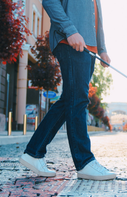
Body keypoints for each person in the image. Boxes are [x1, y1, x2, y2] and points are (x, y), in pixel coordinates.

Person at [19, 0, 116, 181]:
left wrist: (102, 48)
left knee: (70, 100)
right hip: (70, 41)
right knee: (78, 99)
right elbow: (49, 1)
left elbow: (96, 16)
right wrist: (70, 29)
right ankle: (84, 161)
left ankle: (33, 152)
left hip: (89, 47)